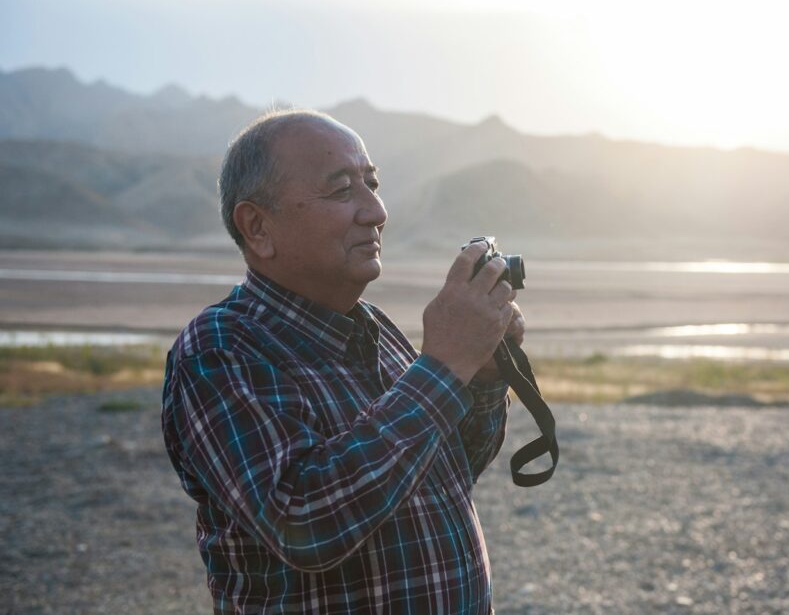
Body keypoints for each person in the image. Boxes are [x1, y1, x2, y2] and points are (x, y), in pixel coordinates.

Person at [161, 109, 524, 614]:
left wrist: (478, 373)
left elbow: (450, 471)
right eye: (341, 191)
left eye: (372, 185)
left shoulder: (374, 327)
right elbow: (304, 522)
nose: (376, 212)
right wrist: (443, 365)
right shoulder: (221, 349)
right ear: (258, 227)